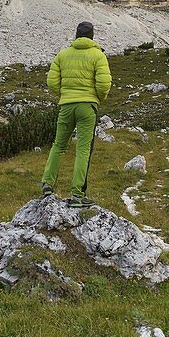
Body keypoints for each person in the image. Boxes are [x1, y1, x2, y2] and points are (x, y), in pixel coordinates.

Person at [40, 21, 112, 208]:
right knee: (83, 149)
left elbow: (51, 81)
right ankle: (77, 195)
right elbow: (104, 84)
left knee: (59, 145)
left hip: (66, 105)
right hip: (87, 106)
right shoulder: (98, 55)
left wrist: (64, 94)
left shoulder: (62, 55)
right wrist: (97, 97)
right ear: (92, 36)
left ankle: (47, 184)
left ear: (76, 35)